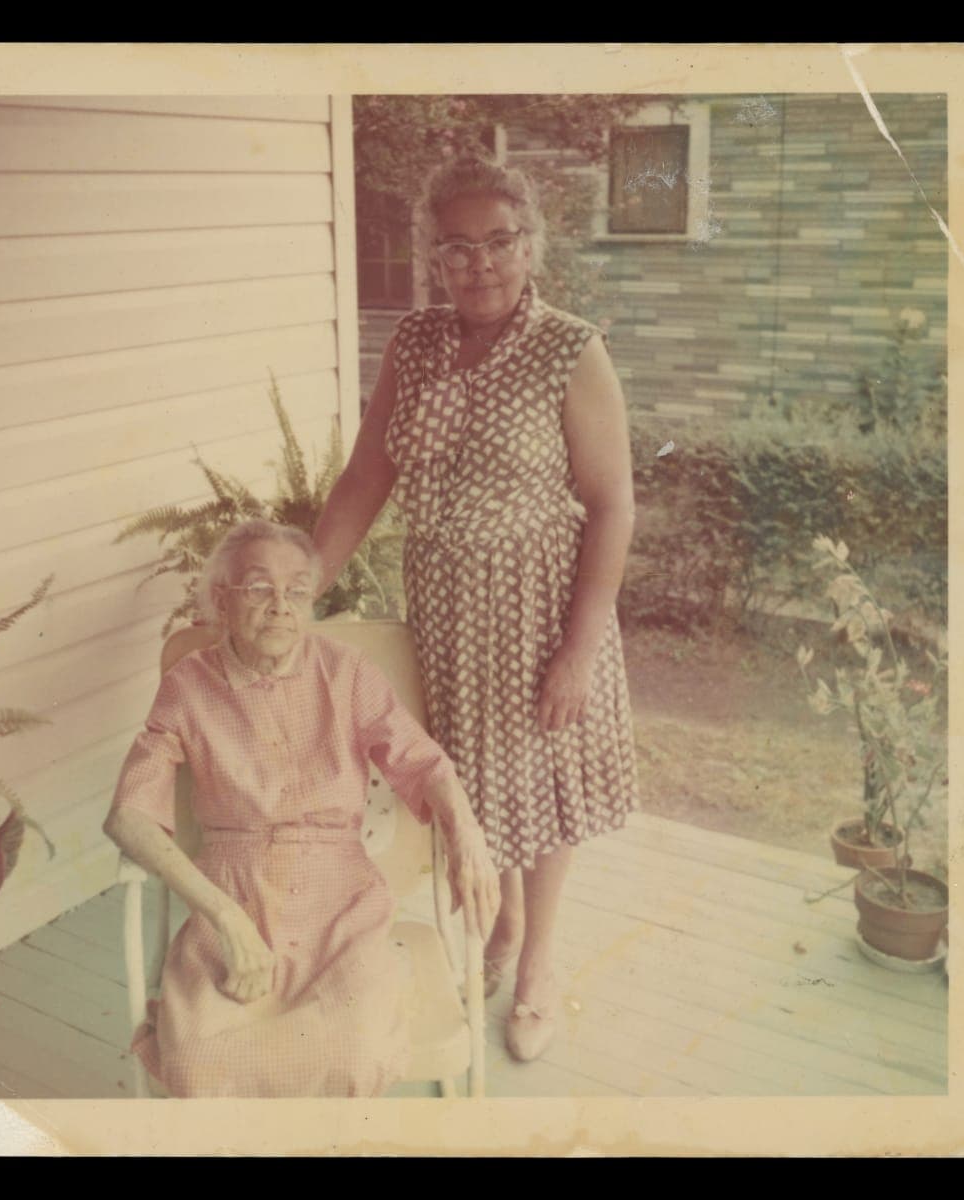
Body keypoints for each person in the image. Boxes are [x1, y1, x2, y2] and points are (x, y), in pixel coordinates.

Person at [313, 156, 639, 1063]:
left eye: (498, 241)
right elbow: (366, 476)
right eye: (456, 246)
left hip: (542, 609)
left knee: (543, 787)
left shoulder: (571, 348)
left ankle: (536, 964)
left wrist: (579, 651)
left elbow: (613, 506)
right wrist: (299, 583)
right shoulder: (414, 343)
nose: (479, 263)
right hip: (449, 609)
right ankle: (500, 929)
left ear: (531, 244)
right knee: (476, 782)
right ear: (432, 256)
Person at [104, 519, 500, 1097]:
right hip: (231, 895)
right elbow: (128, 816)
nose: (281, 606)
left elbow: (423, 762)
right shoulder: (190, 685)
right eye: (260, 587)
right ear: (222, 599)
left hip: (339, 901)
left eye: (296, 591)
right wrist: (227, 918)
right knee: (196, 1062)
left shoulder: (346, 673)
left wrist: (465, 832)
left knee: (353, 1050)